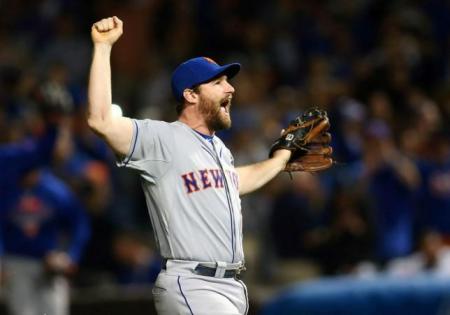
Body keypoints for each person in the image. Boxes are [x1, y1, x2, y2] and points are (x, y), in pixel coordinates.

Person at [88, 16, 293, 314]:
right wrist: (103, 47)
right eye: (218, 82)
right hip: (193, 282)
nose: (231, 89)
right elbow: (101, 120)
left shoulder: (220, 150)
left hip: (230, 286)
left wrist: (280, 161)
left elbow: (236, 181)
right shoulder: (163, 138)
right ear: (191, 94)